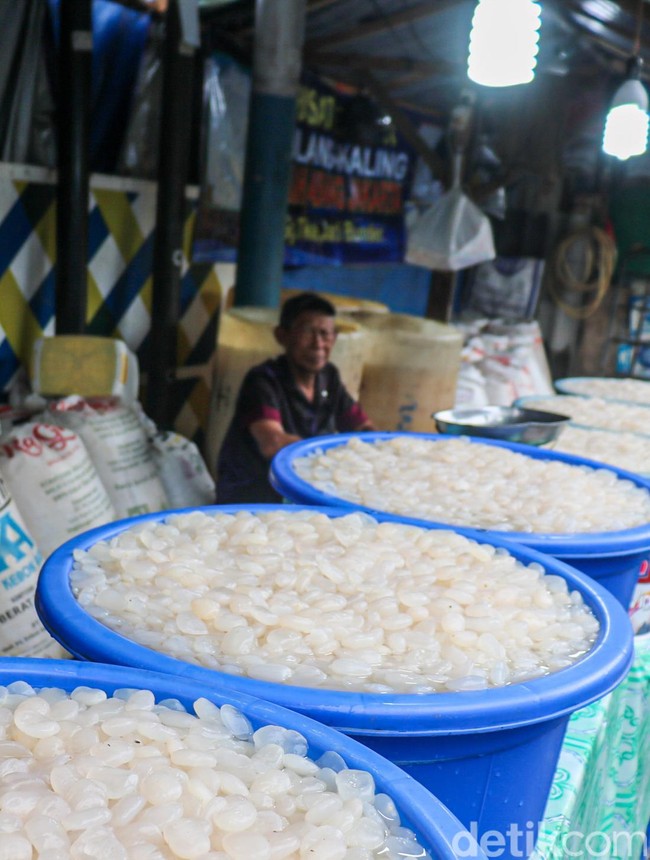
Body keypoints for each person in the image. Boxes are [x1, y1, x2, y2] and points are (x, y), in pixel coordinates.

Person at [216, 291, 374, 503]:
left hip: (305, 487)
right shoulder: (263, 381)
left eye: (325, 334)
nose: (318, 343)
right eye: (307, 332)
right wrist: (338, 462)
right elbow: (273, 442)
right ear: (282, 336)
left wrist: (378, 454)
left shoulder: (329, 377)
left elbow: (362, 427)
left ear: (334, 339)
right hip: (255, 495)